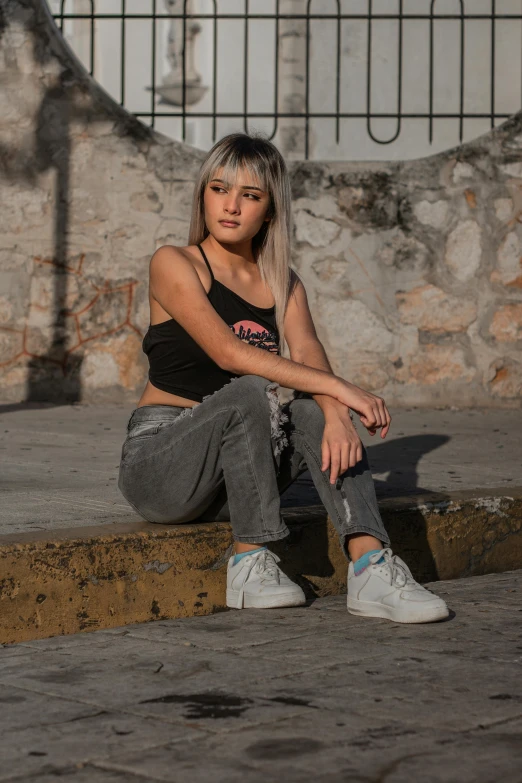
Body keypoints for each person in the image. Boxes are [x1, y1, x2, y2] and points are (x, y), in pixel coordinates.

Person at [118, 131, 449, 624]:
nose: (230, 206)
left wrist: (336, 413)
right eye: (219, 188)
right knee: (253, 387)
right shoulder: (175, 262)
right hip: (162, 465)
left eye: (249, 196)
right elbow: (231, 354)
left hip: (232, 478)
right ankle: (250, 562)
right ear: (203, 195)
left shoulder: (283, 283)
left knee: (313, 409)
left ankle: (370, 567)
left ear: (269, 210)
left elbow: (310, 354)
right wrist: (344, 389)